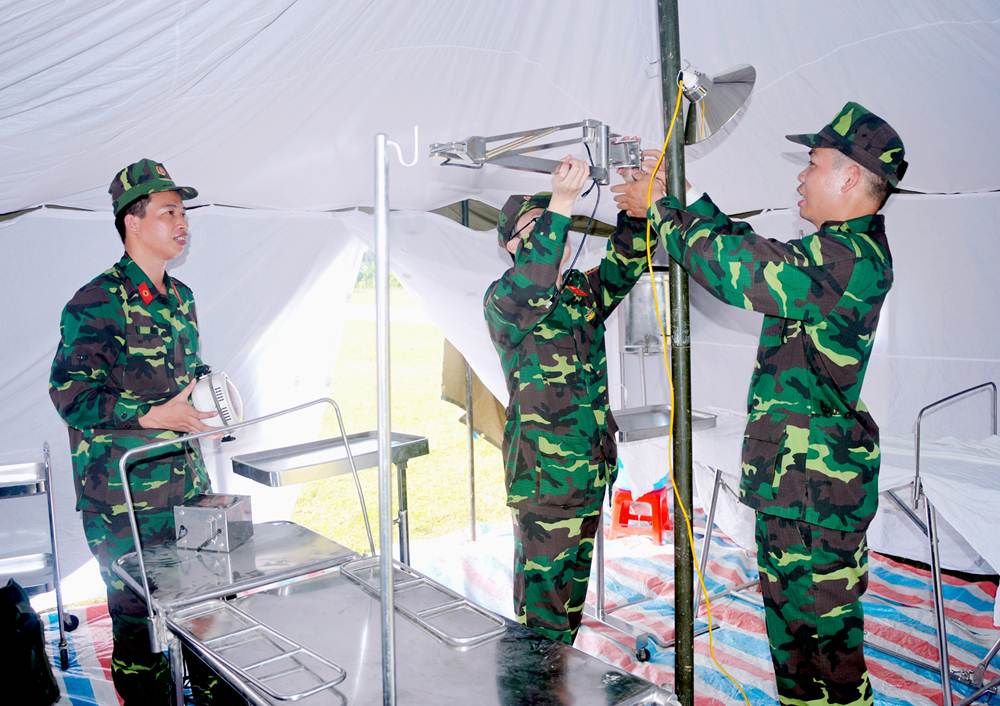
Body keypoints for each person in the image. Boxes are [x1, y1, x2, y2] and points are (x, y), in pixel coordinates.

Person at [612, 101, 906, 705]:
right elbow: (753, 250)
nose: (801, 175)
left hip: (818, 499)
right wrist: (683, 197)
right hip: (798, 491)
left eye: (814, 163)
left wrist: (663, 212)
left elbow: (740, 269)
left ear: (851, 176)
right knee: (796, 647)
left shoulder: (849, 260)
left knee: (829, 656)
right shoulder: (829, 253)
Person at [49, 159, 225, 705]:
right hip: (123, 503)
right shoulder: (95, 302)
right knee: (140, 634)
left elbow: (188, 380)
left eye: (183, 211)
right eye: (169, 211)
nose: (182, 222)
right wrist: (149, 418)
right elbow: (71, 395)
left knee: (204, 620)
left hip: (185, 488)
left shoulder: (182, 299)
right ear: (133, 221)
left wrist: (208, 410)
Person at [483, 156, 660, 645]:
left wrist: (639, 209)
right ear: (511, 245)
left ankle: (556, 680)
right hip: (544, 484)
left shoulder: (581, 291)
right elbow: (535, 281)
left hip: (587, 473)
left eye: (554, 221)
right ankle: (537, 690)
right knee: (544, 617)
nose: (551, 230)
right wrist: (561, 202)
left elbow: (627, 264)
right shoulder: (506, 300)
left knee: (569, 606)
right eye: (536, 225)